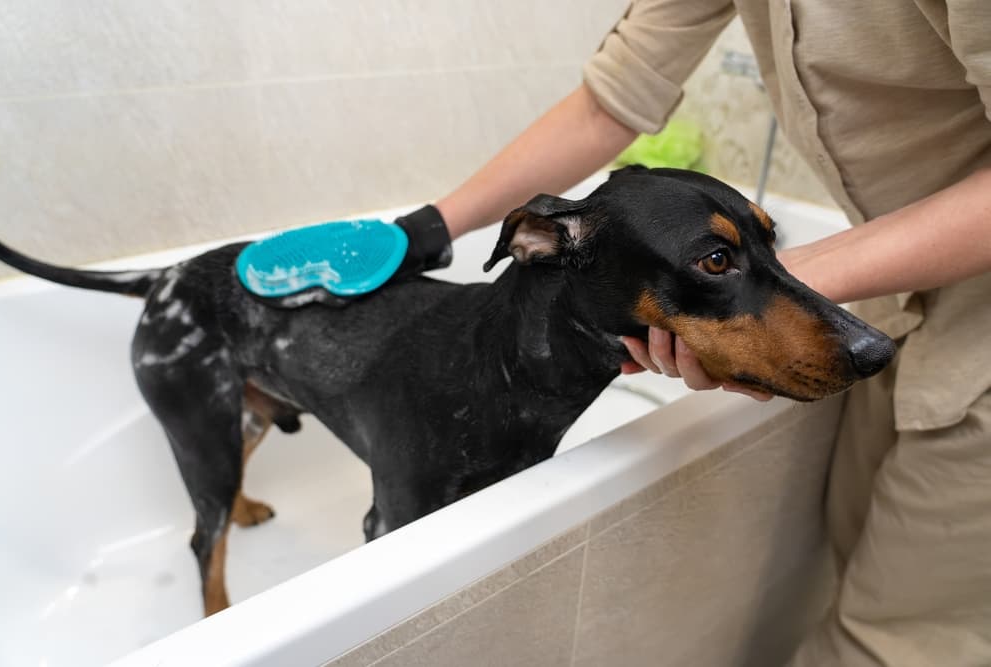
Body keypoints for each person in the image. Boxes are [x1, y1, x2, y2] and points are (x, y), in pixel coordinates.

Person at [314, 2, 991, 664]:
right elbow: (609, 99)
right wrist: (428, 229)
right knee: (859, 561)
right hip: (900, 300)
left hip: (976, 335)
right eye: (717, 260)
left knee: (893, 637)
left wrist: (785, 276)